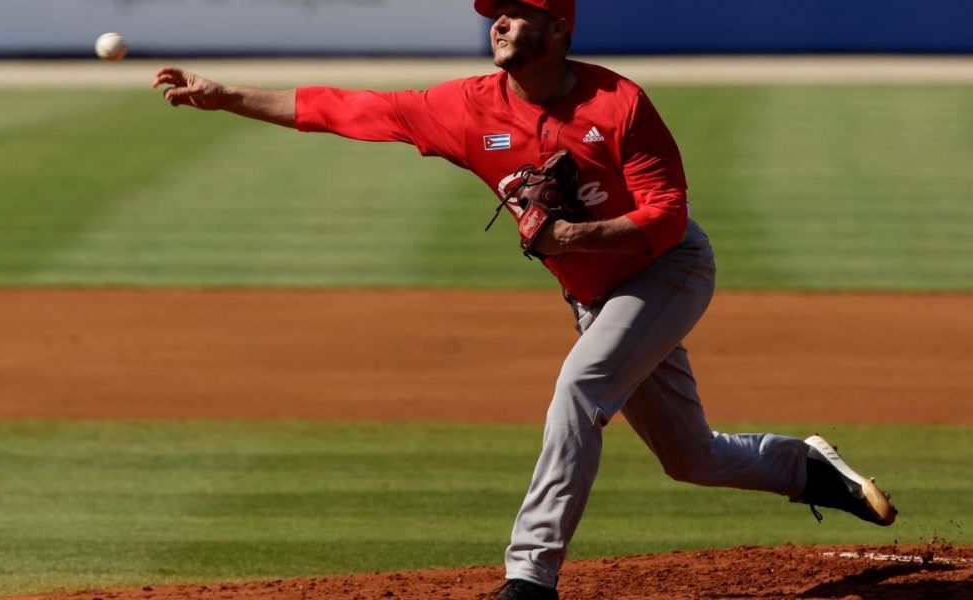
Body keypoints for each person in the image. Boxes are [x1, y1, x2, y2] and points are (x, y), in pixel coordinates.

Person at [153, 1, 897, 598]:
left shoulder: (619, 102)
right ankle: (807, 469)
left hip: (667, 271)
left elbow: (667, 214)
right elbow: (345, 108)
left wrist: (576, 234)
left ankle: (529, 576)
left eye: (516, 12)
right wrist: (226, 97)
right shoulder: (466, 107)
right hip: (594, 298)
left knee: (580, 388)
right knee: (689, 457)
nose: (497, 22)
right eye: (493, 14)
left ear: (558, 29)